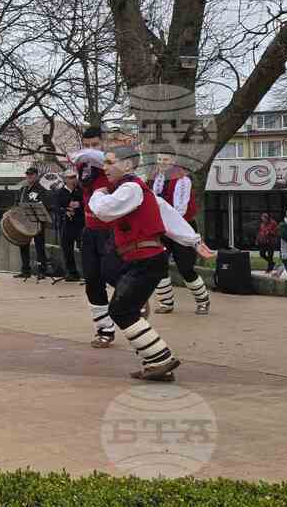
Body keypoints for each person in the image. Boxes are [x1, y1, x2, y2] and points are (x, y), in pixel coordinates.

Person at [89, 145, 215, 381]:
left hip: (145, 260)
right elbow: (167, 214)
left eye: (109, 162)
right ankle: (156, 363)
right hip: (140, 260)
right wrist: (193, 240)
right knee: (121, 306)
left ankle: (160, 360)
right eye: (104, 162)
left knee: (121, 311)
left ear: (127, 165)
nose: (104, 167)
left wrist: (98, 193)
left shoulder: (131, 188)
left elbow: (103, 211)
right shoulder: (138, 189)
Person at [69, 127, 122, 348]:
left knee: (113, 275)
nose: (90, 149)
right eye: (87, 145)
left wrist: (86, 153)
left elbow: (99, 158)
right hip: (89, 229)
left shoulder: (111, 164)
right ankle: (104, 329)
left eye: (95, 145)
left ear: (104, 143)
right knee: (92, 280)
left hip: (111, 230)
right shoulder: (82, 165)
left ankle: (134, 299)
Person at [149, 153, 210, 315]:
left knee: (185, 268)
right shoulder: (155, 177)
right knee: (158, 264)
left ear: (173, 161)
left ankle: (203, 300)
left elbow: (180, 210)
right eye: (159, 159)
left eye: (166, 160)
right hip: (162, 227)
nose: (162, 163)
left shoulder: (183, 180)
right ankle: (166, 302)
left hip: (182, 226)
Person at [16, 166, 51, 278]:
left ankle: (42, 271)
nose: (29, 176)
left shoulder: (41, 189)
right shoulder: (23, 189)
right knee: (23, 244)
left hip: (37, 222)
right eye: (27, 174)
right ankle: (25, 270)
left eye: (31, 174)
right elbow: (17, 204)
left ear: (36, 176)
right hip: (24, 222)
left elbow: (46, 206)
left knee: (39, 246)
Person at [54, 170, 84, 281]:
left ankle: (87, 273)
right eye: (70, 178)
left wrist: (79, 204)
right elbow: (56, 208)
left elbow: (87, 204)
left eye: (74, 177)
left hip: (79, 224)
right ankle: (72, 273)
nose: (73, 179)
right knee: (67, 250)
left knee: (84, 249)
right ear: (65, 179)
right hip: (66, 224)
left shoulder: (80, 191)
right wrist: (65, 211)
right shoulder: (60, 192)